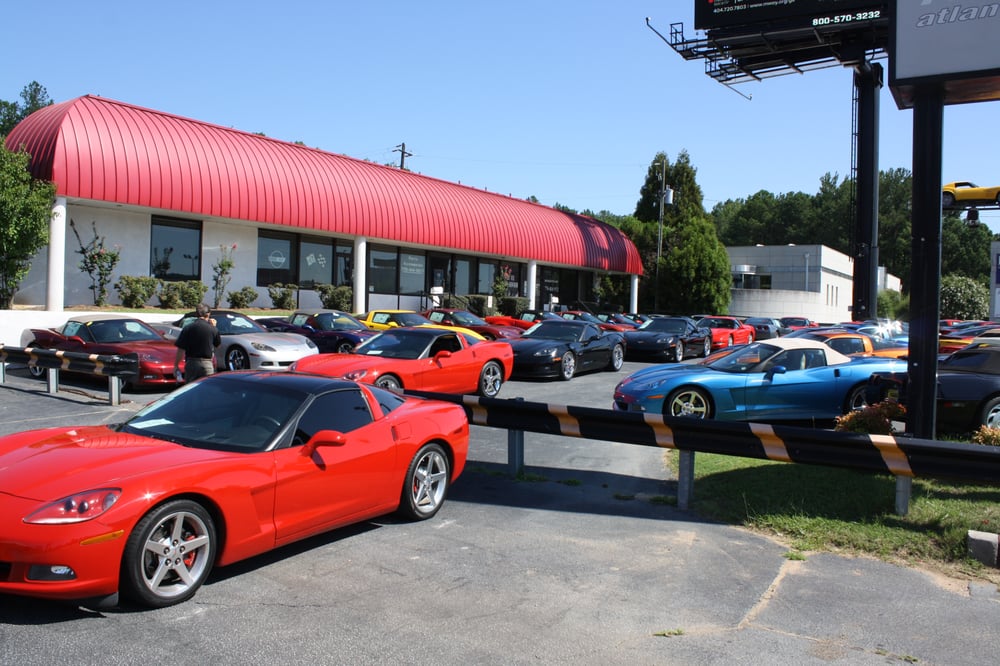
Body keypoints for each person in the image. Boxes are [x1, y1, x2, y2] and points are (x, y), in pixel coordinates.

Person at [173, 303, 221, 382]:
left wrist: (176, 365)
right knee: (207, 386)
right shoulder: (212, 329)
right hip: (206, 363)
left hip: (191, 363)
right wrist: (214, 327)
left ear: (196, 314)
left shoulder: (188, 328)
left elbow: (181, 349)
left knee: (191, 387)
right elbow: (218, 345)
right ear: (208, 314)